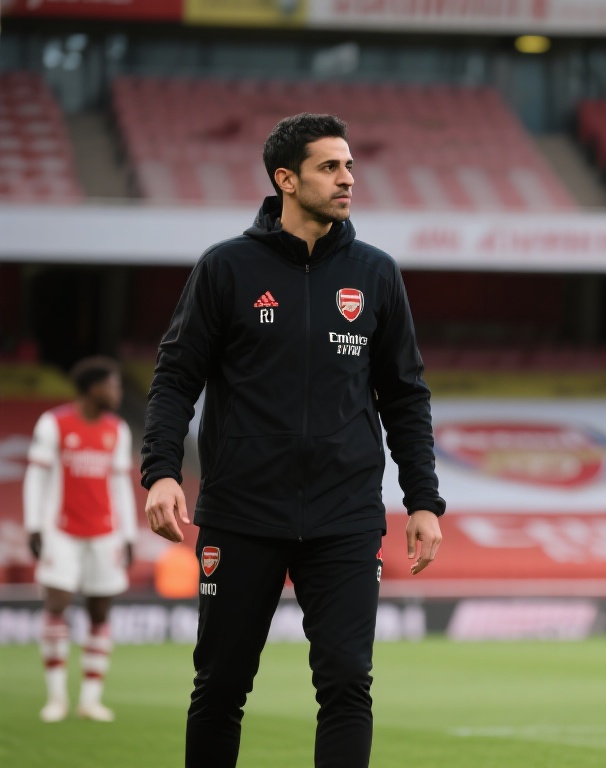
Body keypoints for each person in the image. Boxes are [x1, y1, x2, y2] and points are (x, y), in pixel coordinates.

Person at [140, 113, 445, 768]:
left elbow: (405, 396)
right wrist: (161, 471)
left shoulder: (375, 273)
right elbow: (174, 379)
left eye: (350, 166)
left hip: (345, 514)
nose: (347, 179)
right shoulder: (226, 268)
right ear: (286, 179)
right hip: (242, 511)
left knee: (347, 684)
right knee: (220, 687)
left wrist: (423, 500)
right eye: (330, 167)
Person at [23, 356, 137, 723]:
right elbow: (36, 477)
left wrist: (129, 533)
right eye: (112, 385)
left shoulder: (118, 429)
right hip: (61, 531)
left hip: (105, 534)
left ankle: (90, 699)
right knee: (57, 603)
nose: (118, 392)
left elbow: (120, 485)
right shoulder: (54, 424)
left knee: (99, 611)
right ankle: (56, 698)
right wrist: (33, 525)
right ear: (93, 388)